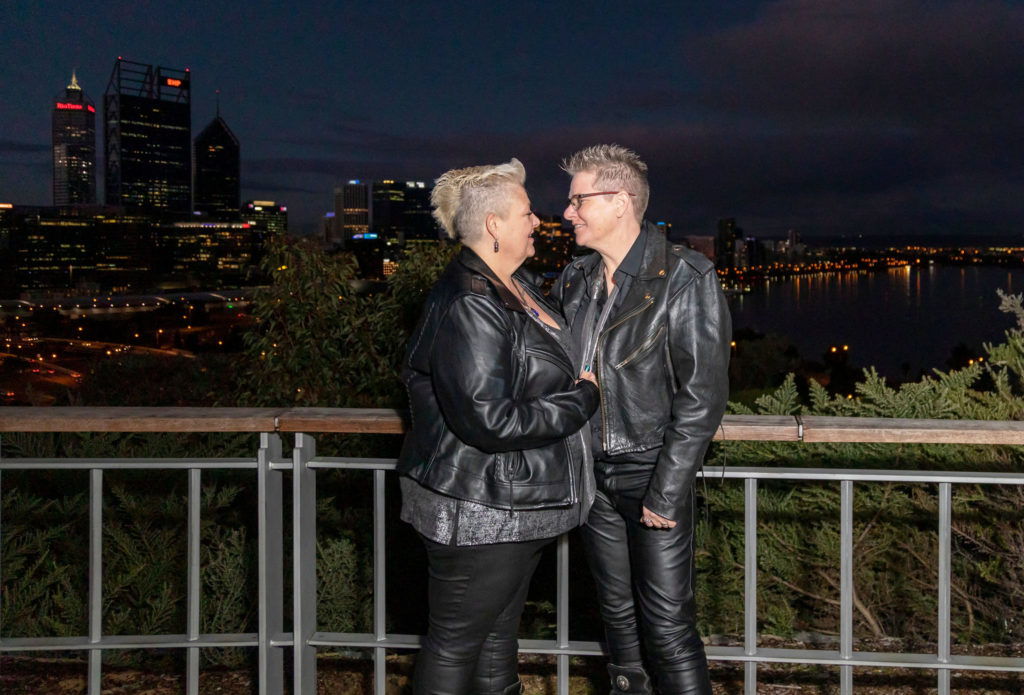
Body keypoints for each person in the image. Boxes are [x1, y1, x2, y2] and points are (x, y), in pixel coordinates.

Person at [397, 158, 600, 695]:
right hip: (479, 509)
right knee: (456, 646)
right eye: (527, 212)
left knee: (494, 645)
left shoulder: (514, 287)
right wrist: (584, 398)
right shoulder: (471, 301)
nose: (538, 221)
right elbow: (490, 419)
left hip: (508, 506)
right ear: (493, 225)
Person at [553, 145, 731, 695]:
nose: (568, 213)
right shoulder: (576, 277)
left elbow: (702, 394)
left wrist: (668, 488)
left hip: (651, 472)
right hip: (591, 477)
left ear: (620, 201)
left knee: (669, 628)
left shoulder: (684, 275)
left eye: (579, 200)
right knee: (618, 626)